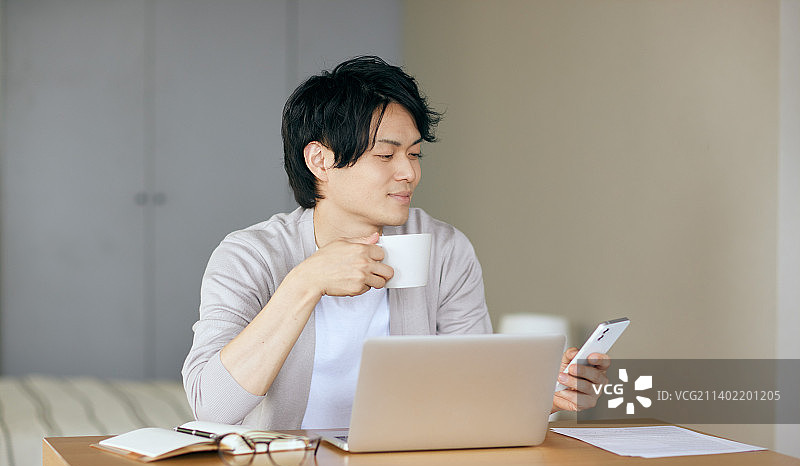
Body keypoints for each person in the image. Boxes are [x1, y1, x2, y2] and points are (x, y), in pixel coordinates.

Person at [182, 56, 609, 430]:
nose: (408, 172)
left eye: (415, 154)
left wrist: (543, 396)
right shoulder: (249, 256)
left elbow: (472, 392)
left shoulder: (444, 249)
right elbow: (213, 407)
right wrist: (304, 283)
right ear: (321, 161)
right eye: (386, 156)